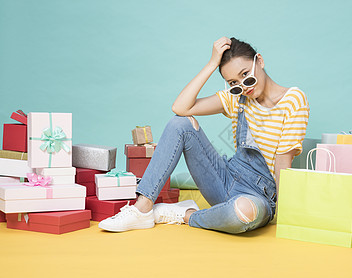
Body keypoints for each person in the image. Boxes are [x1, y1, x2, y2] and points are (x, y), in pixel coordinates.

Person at [99, 37, 309, 233]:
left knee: (242, 213)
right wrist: (211, 64)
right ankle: (142, 208)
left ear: (260, 61)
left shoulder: (293, 99)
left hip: (259, 197)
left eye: (246, 75)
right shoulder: (237, 99)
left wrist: (286, 216)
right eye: (234, 84)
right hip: (224, 178)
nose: (244, 87)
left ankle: (184, 214)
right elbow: (180, 107)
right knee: (180, 123)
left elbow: (283, 161)